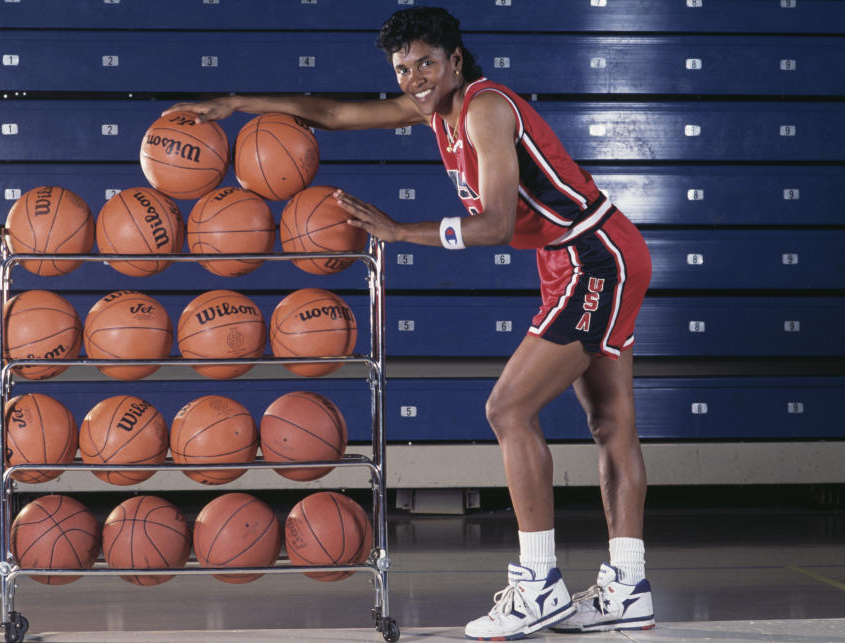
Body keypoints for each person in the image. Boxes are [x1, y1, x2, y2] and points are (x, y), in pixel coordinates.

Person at [167, 6, 654, 639]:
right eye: (403, 68)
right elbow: (337, 115)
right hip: (580, 257)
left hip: (596, 257)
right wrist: (238, 103)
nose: (415, 78)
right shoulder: (433, 108)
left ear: (456, 59)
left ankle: (539, 585)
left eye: (426, 62)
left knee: (507, 410)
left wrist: (400, 232)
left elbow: (497, 225)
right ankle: (628, 589)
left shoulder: (484, 108)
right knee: (610, 423)